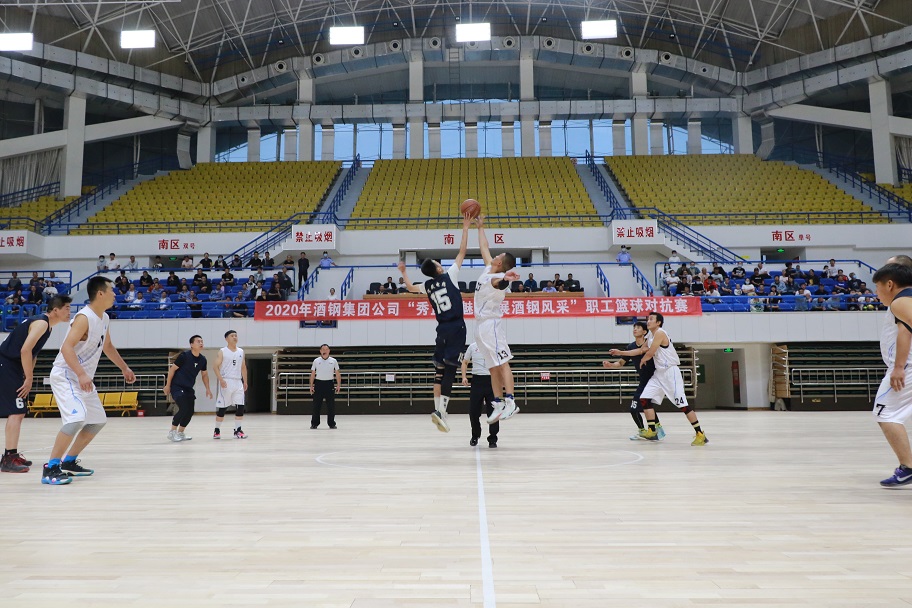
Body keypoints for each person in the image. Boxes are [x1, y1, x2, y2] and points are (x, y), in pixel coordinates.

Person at [42, 276, 136, 485]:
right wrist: (82, 374)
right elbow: (66, 348)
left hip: (82, 378)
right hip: (67, 374)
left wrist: (124, 367)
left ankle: (69, 461)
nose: (115, 294)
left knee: (97, 421)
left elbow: (107, 346)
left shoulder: (104, 318)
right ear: (100, 293)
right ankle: (51, 467)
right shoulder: (84, 317)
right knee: (75, 419)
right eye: (111, 290)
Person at [398, 214, 472, 432]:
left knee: (439, 372)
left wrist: (403, 272)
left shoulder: (427, 286)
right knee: (450, 371)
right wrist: (465, 227)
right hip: (456, 327)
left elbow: (410, 288)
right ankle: (442, 413)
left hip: (441, 330)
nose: (441, 264)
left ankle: (437, 410)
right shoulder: (450, 275)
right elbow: (462, 252)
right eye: (439, 263)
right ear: (439, 269)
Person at [0, 296, 72, 474]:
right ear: (55, 310)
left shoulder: (46, 325)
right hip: (6, 363)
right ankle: (9, 458)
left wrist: (27, 373)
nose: (69, 312)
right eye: (67, 308)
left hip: (11, 365)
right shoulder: (41, 323)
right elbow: (25, 350)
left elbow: (32, 353)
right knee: (17, 411)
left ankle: (11, 454)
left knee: (18, 411)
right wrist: (29, 378)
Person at [619, 312, 707, 445]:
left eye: (651, 319)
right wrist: (620, 352)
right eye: (648, 319)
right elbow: (640, 350)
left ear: (658, 322)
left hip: (670, 372)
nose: (648, 321)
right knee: (644, 398)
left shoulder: (660, 333)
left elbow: (651, 352)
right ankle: (652, 430)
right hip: (659, 374)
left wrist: (644, 359)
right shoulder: (649, 336)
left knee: (682, 405)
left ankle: (700, 434)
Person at [474, 215, 521, 424]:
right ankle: (498, 402)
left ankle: (511, 401)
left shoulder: (496, 278)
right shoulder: (488, 269)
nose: (494, 254)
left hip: (491, 325)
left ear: (500, 262)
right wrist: (480, 227)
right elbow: (484, 247)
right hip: (480, 326)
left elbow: (500, 283)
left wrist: (506, 279)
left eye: (498, 255)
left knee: (502, 363)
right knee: (492, 367)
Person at [872, 259, 912, 487]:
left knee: (885, 413)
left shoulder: (900, 301)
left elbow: (907, 331)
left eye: (877, 288)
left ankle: (908, 468)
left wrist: (898, 367)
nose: (876, 294)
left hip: (907, 368)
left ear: (889, 284)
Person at [606, 321, 664, 441]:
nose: (635, 329)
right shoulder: (630, 347)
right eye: (634, 327)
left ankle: (654, 430)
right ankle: (649, 430)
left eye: (638, 327)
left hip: (655, 379)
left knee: (643, 406)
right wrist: (611, 365)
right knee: (642, 407)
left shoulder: (650, 344)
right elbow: (621, 363)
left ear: (644, 332)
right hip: (643, 382)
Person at [164, 335, 212, 442]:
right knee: (184, 408)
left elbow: (204, 375)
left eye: (202, 341)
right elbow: (172, 370)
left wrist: (208, 389)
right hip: (177, 386)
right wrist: (167, 385)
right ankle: (172, 432)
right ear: (191, 345)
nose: (201, 343)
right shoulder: (184, 356)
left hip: (188, 388)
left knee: (190, 411)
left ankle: (180, 433)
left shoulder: (203, 359)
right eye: (198, 341)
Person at [461, 342, 500, 448]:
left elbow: (501, 364)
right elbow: (465, 362)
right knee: (473, 411)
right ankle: (475, 435)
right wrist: (464, 377)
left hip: (491, 380)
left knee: (494, 411)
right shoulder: (472, 346)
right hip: (477, 381)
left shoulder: (494, 345)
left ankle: (493, 438)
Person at [213, 330, 248, 440]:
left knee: (241, 406)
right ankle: (217, 430)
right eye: (232, 336)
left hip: (238, 381)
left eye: (236, 335)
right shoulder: (222, 351)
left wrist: (245, 381)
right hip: (226, 381)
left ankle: (238, 430)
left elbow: (243, 367)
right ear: (226, 339)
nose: (235, 337)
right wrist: (221, 379)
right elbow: (215, 366)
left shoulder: (241, 351)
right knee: (223, 408)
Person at [310, 344, 341, 429]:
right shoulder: (316, 361)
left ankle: (331, 423)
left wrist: (338, 385)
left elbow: (337, 373)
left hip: (329, 384)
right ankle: (314, 423)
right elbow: (313, 373)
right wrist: (311, 386)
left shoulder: (333, 361)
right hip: (319, 384)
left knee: (331, 406)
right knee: (316, 405)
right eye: (323, 349)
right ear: (320, 351)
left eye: (326, 349)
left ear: (329, 351)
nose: (325, 351)